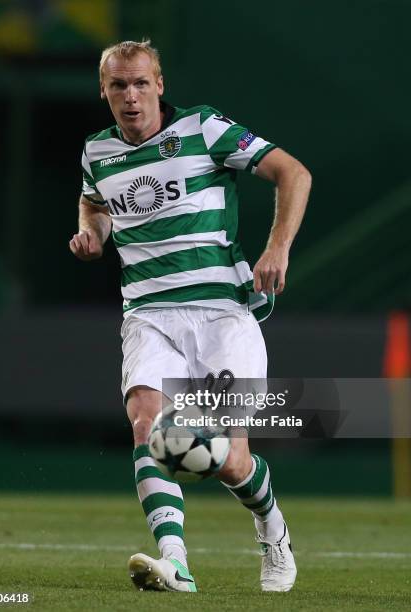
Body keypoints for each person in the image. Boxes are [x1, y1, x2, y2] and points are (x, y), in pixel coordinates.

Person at [69, 39, 311, 594]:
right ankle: (174, 561)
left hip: (222, 313)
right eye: (118, 86)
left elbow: (294, 173)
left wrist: (278, 248)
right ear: (103, 92)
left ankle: (272, 528)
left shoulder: (204, 129)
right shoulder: (97, 152)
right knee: (147, 427)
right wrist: (93, 236)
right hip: (148, 313)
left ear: (159, 84)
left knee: (228, 459)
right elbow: (95, 202)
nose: (131, 96)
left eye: (140, 83)